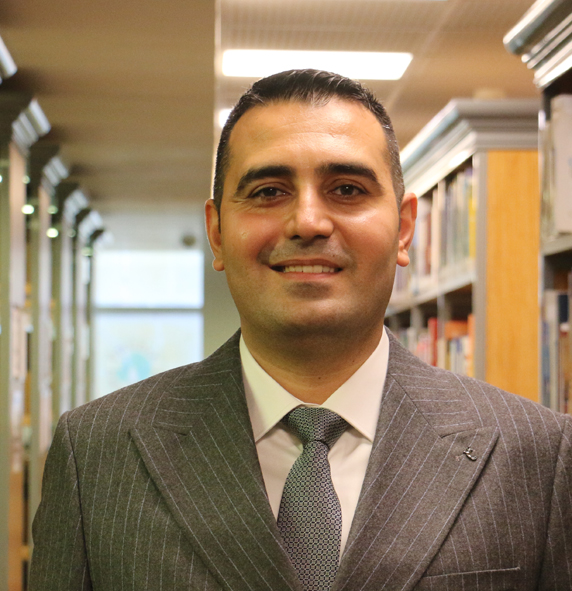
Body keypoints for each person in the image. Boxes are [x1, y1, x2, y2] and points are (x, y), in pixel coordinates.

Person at [30, 70, 572, 591]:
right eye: (268, 191)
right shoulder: (96, 454)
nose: (308, 222)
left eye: (347, 189)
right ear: (217, 233)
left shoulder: (537, 455)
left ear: (405, 229)